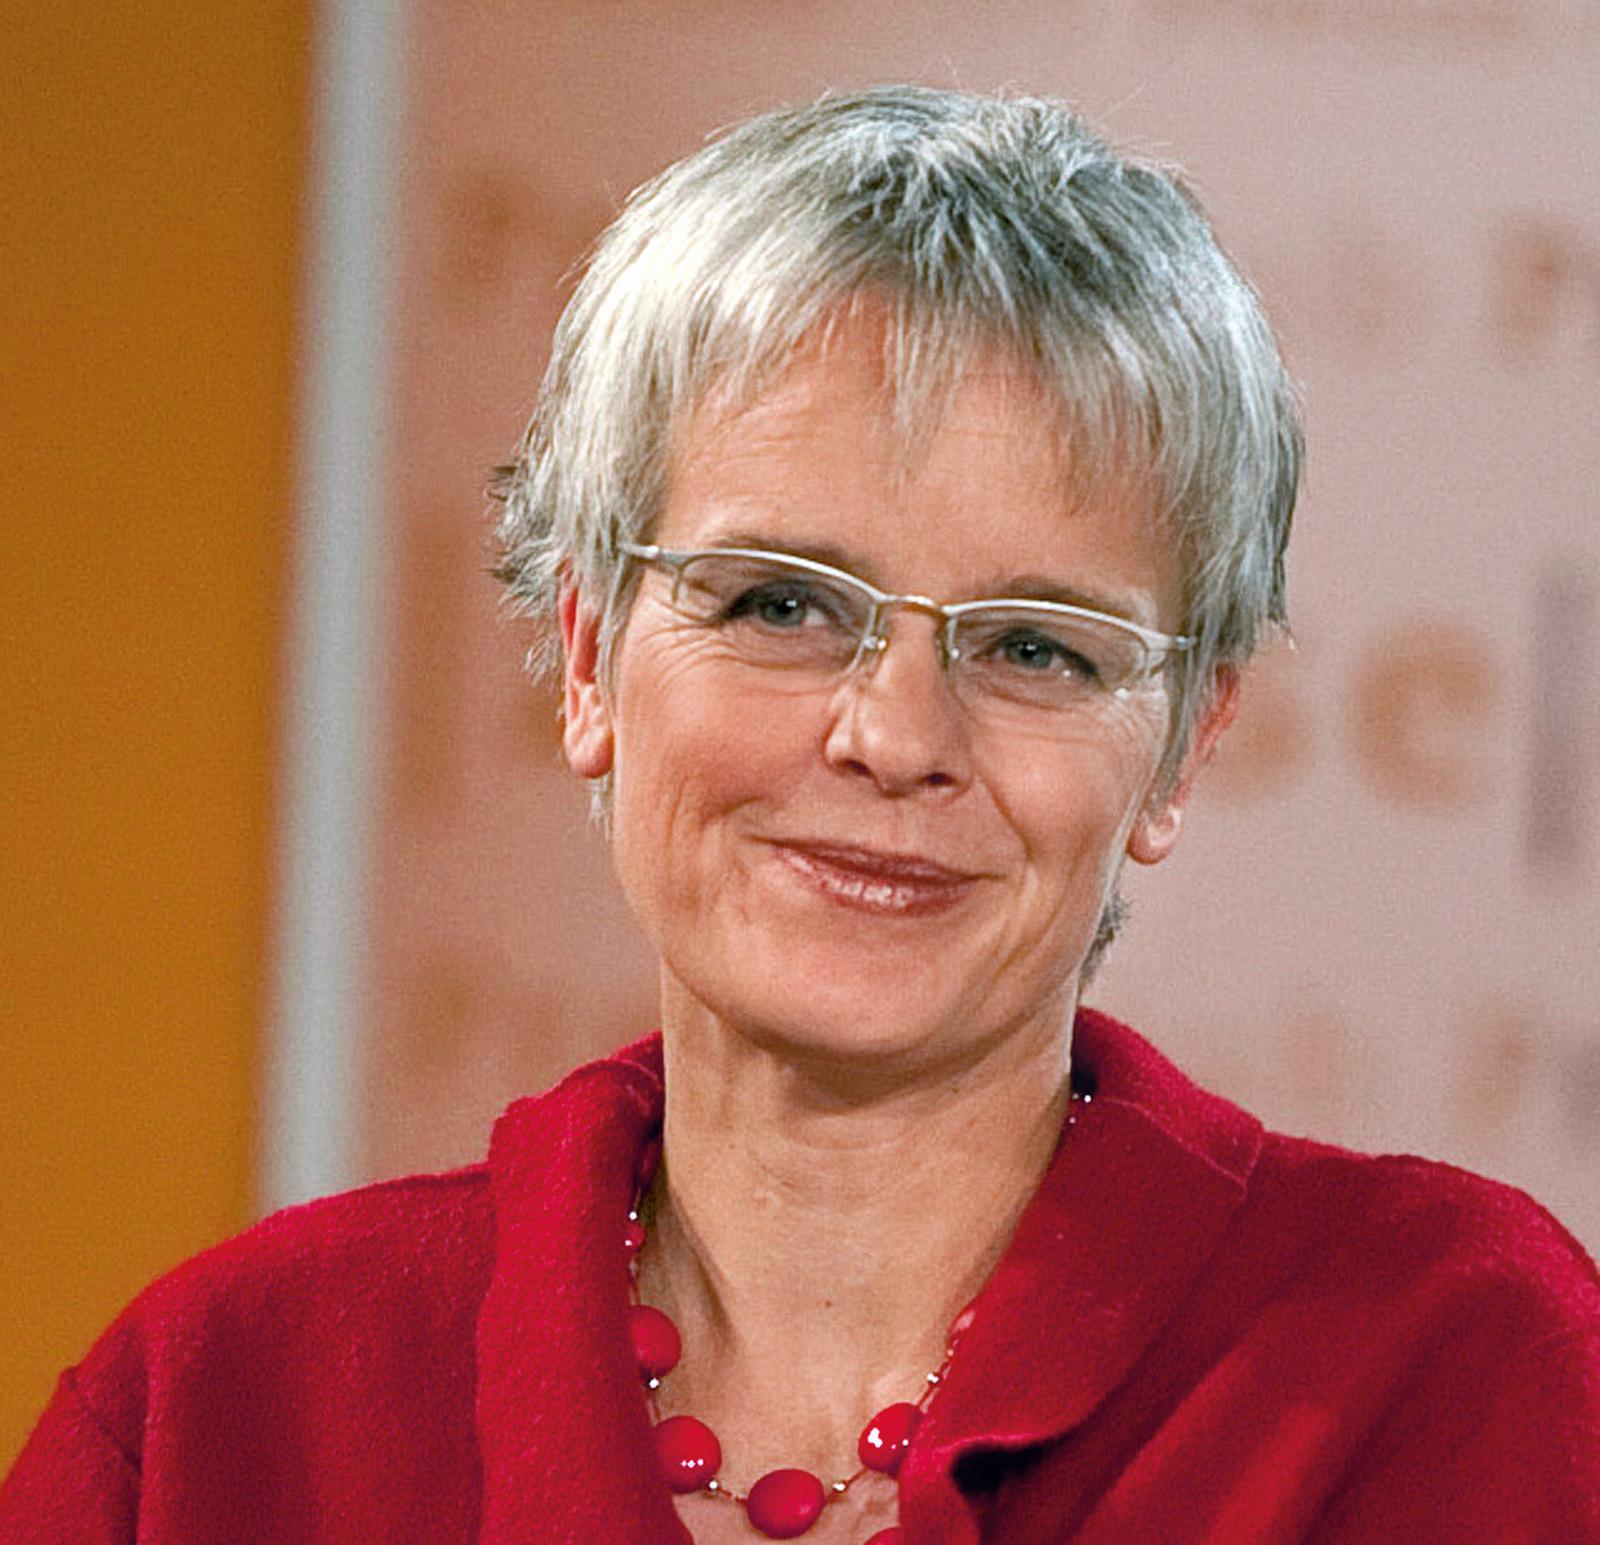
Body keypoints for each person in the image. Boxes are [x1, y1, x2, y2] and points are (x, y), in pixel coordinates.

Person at [4, 85, 1598, 1545]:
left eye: (1035, 645)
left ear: (1183, 745)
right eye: (780, 603)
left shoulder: (1464, 1375)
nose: (896, 736)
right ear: (588, 659)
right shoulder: (218, 1412)